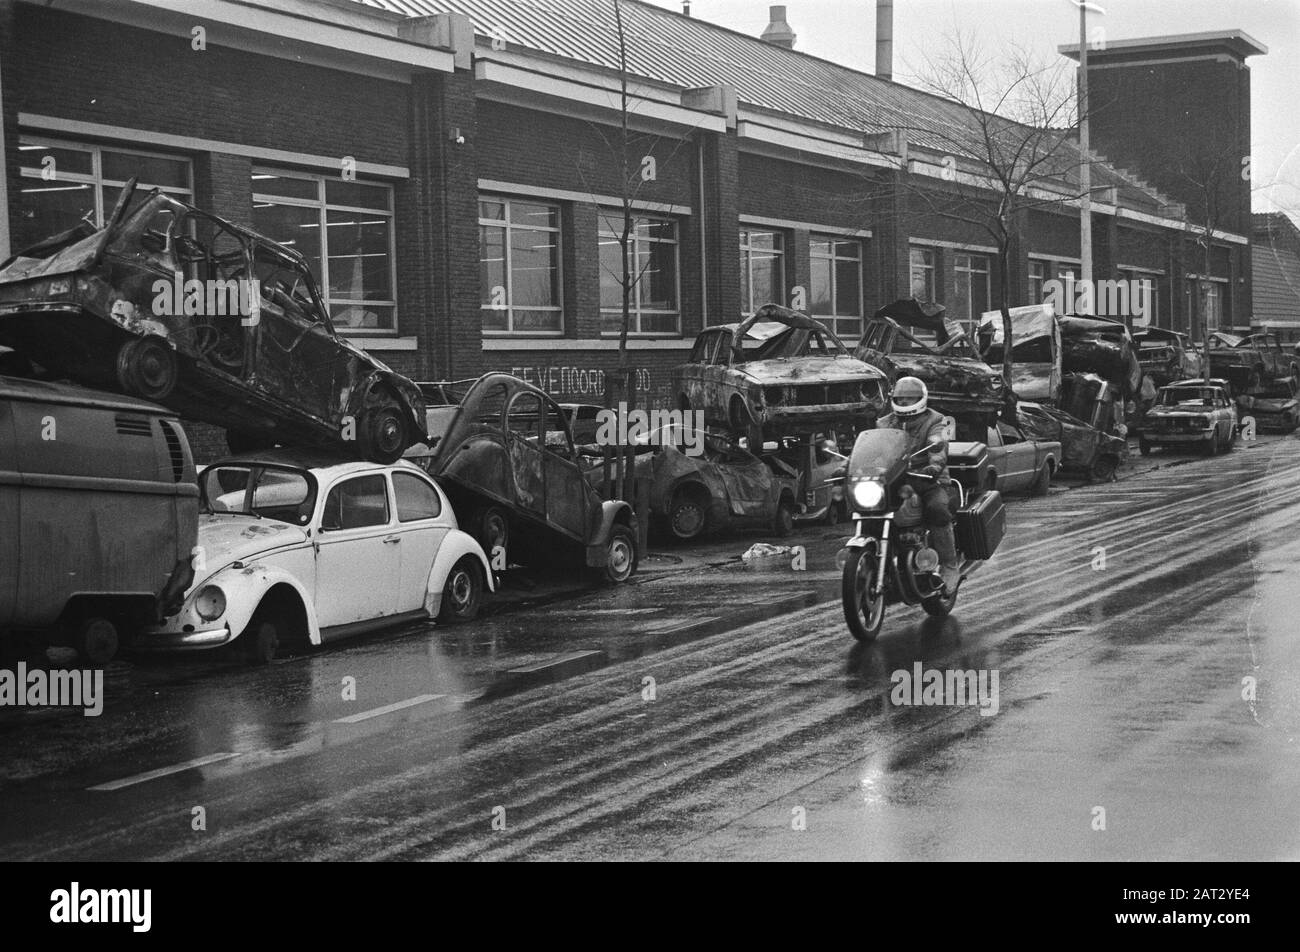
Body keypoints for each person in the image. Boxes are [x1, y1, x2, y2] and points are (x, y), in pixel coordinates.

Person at [876, 376, 961, 592]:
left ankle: (950, 566)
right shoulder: (884, 423)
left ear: (921, 399)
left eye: (909, 398)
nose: (904, 403)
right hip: (894, 480)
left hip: (928, 479)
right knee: (870, 507)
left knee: (937, 509)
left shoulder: (936, 420)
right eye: (900, 398)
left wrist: (933, 467)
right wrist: (850, 467)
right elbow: (874, 450)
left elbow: (938, 447)